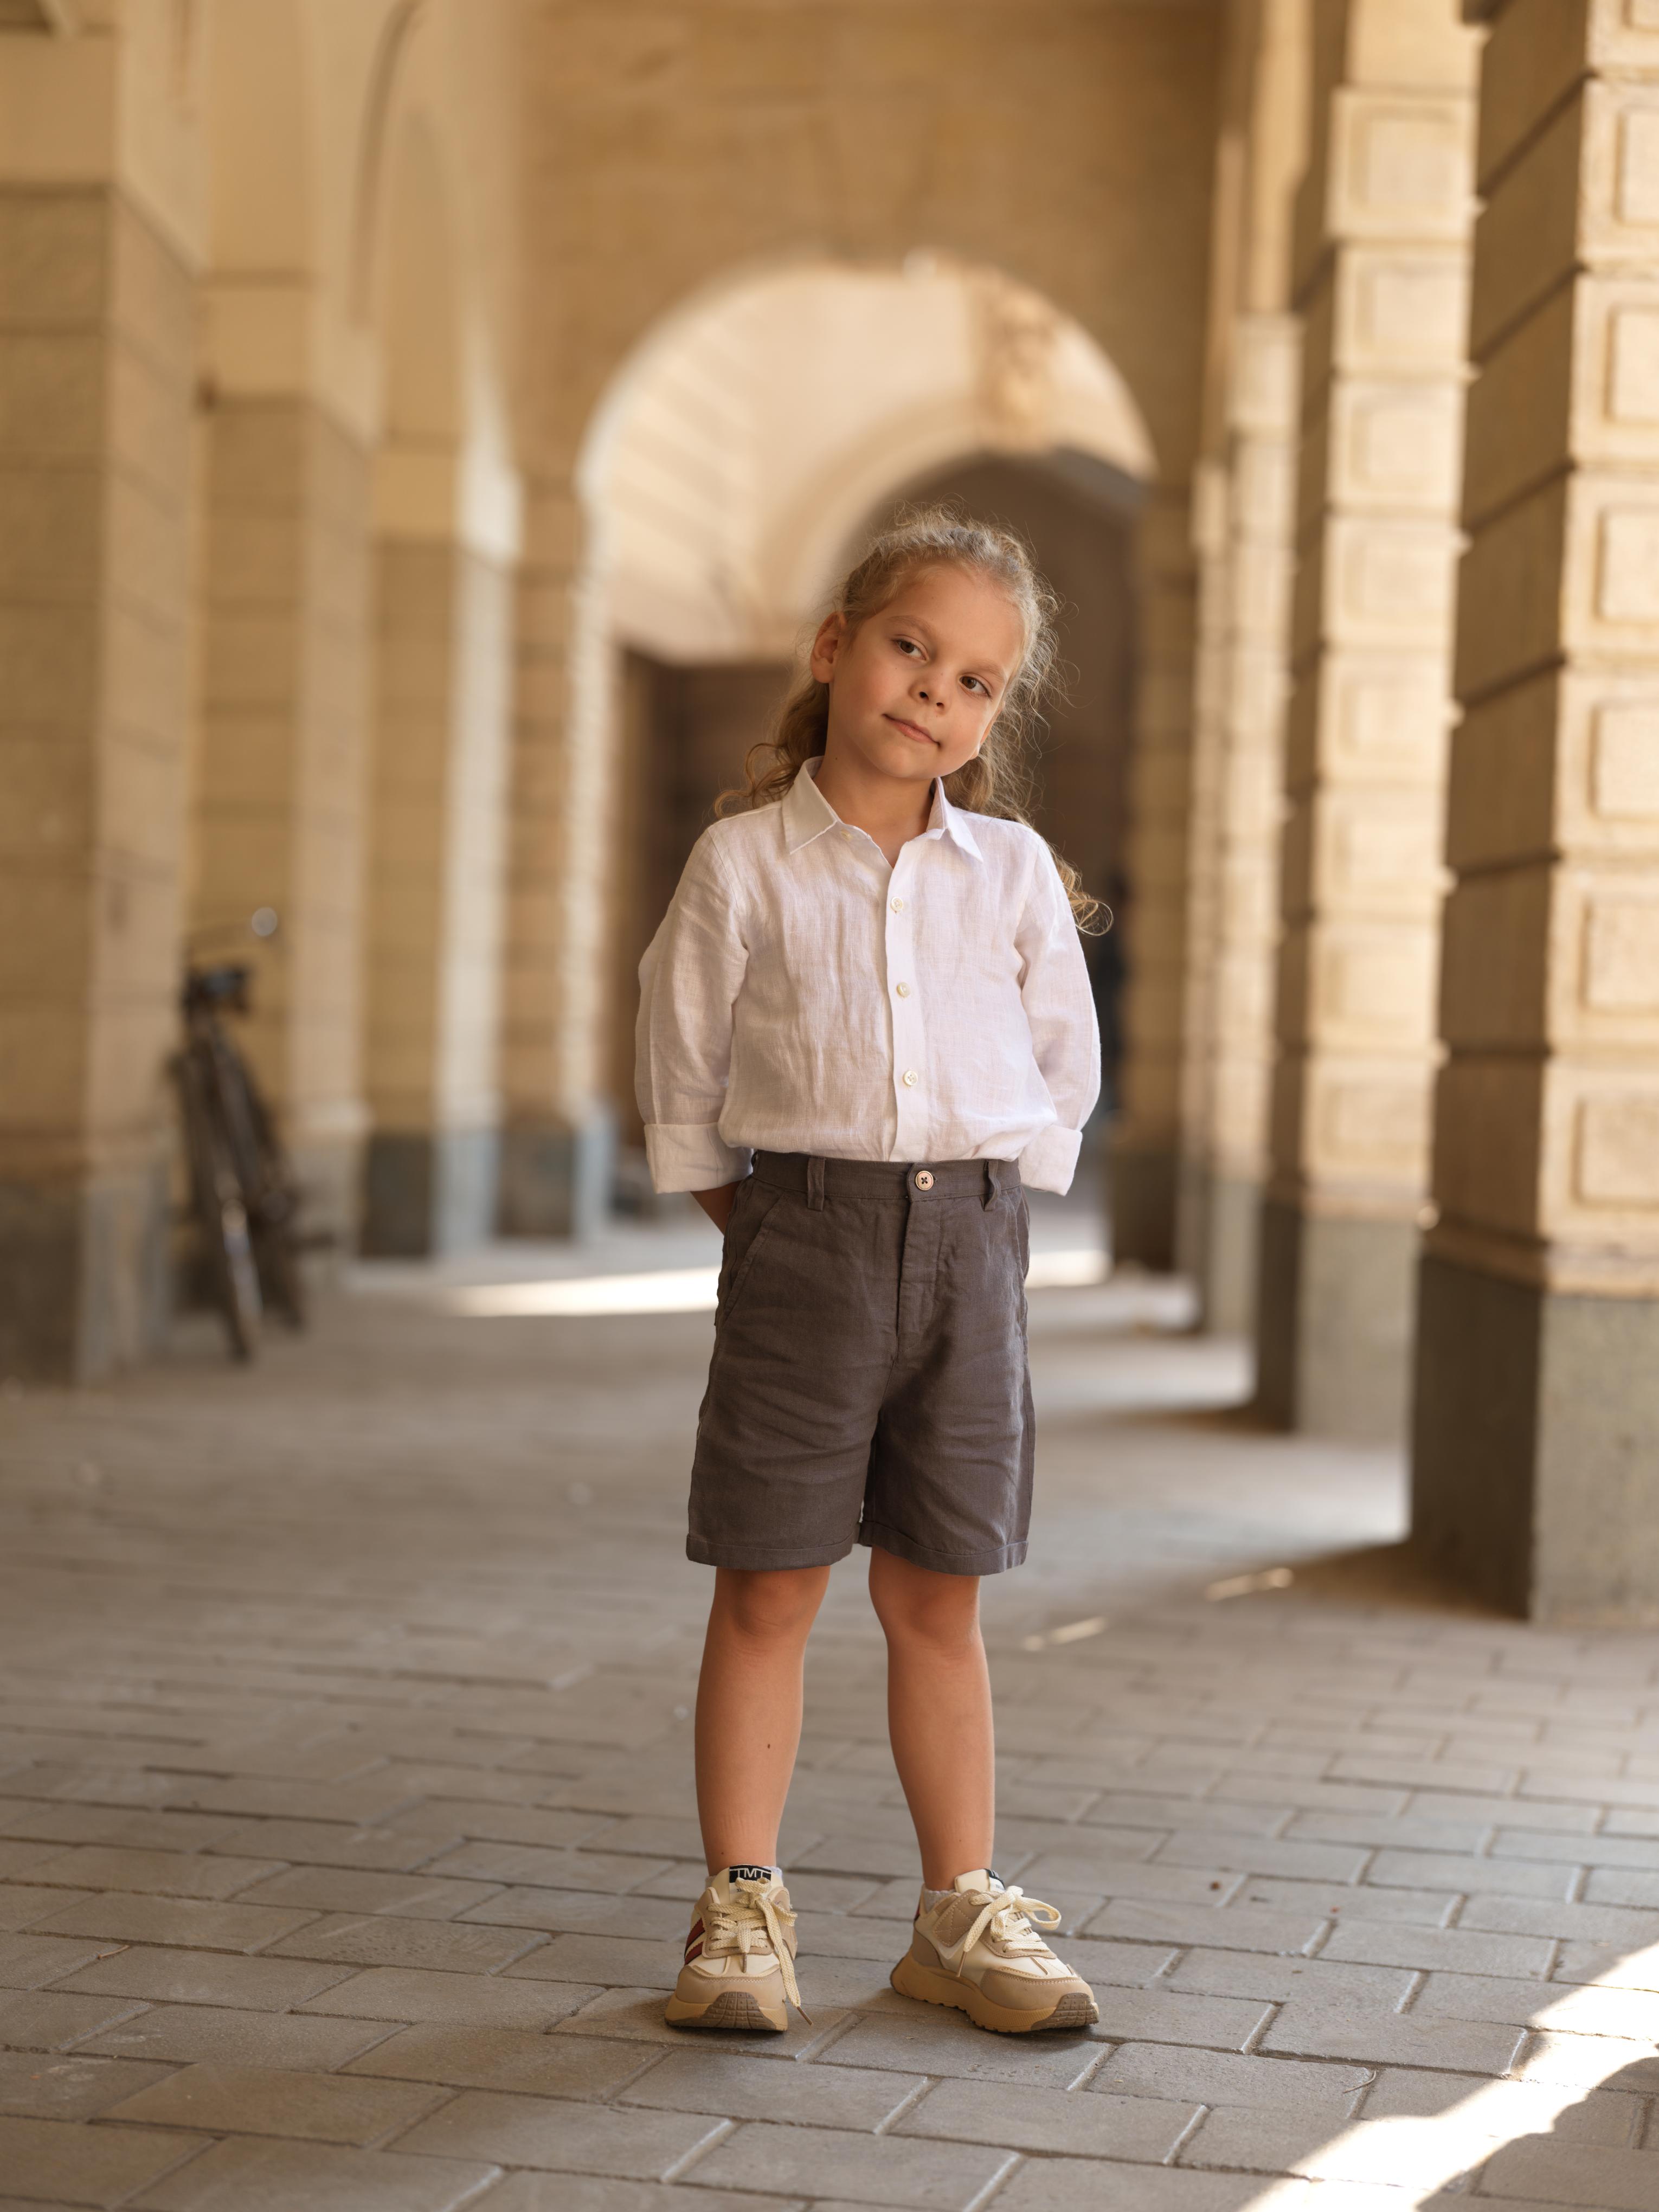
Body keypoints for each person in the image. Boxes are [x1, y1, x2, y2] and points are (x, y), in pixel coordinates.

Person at [635, 508, 1102, 2036]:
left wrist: (983, 1222)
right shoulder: (745, 863)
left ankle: (957, 1911)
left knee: (938, 1593)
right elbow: (683, 1074)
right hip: (805, 1243)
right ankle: (741, 1911)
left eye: (975, 680)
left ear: (991, 714)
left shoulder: (1012, 872)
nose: (934, 693)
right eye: (911, 648)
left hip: (971, 1253)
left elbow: (1058, 1066)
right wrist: (777, 1238)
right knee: (769, 1584)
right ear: (837, 648)